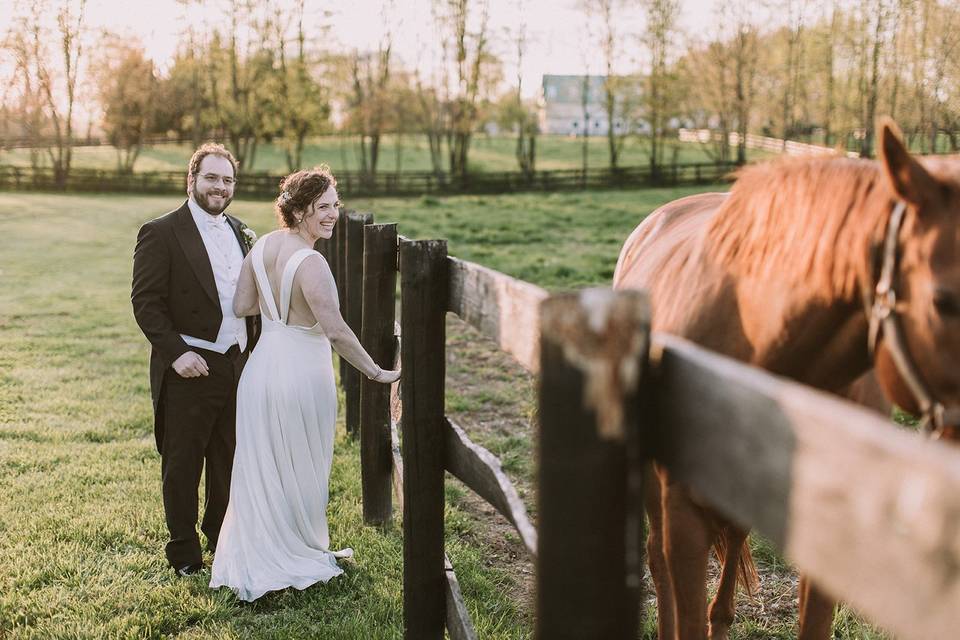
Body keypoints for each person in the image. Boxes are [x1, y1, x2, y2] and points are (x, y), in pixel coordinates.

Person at [210, 165, 400, 602]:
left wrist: (276, 302)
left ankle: (264, 550)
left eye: (336, 205)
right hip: (300, 374)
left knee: (264, 466)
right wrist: (376, 372)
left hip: (261, 372)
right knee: (301, 465)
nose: (333, 214)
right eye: (324, 207)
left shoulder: (260, 248)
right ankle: (294, 550)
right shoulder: (312, 262)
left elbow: (241, 305)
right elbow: (335, 331)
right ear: (298, 211)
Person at [131, 143, 260, 576]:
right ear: (192, 180)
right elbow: (146, 302)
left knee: (228, 459)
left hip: (235, 363)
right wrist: (177, 354)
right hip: (190, 365)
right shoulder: (161, 231)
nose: (219, 186)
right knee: (182, 464)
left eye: (227, 180)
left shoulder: (241, 231)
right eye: (211, 177)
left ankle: (220, 538)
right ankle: (184, 553)